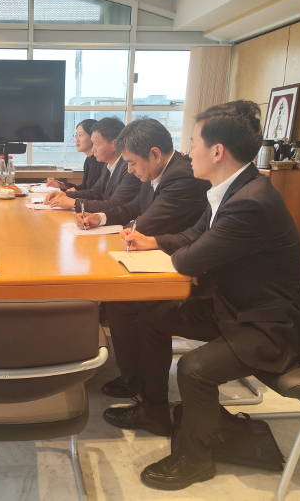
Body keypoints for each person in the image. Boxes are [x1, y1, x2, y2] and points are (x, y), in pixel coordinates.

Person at [104, 101, 300, 491]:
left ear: (217, 151)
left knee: (194, 369)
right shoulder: (227, 190)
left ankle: (195, 460)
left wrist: (175, 250)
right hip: (230, 307)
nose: (188, 153)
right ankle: (154, 411)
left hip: (267, 324)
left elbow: (190, 258)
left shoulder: (251, 202)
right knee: (153, 319)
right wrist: (153, 241)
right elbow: (192, 238)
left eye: (193, 144)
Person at [75, 118, 210, 399]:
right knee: (119, 302)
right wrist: (100, 218)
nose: (130, 170)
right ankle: (133, 374)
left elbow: (148, 222)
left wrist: (128, 230)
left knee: (126, 302)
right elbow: (134, 208)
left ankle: (137, 381)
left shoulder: (182, 176)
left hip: (187, 267)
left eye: (132, 163)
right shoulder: (155, 173)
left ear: (155, 154)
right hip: (165, 253)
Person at [45, 117, 140, 212]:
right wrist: (65, 194)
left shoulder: (129, 169)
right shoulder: (108, 165)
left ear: (114, 144)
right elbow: (94, 192)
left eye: (96, 144)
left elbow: (115, 204)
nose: (93, 149)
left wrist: (74, 203)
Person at [46, 119, 104, 192]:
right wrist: (60, 185)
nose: (77, 140)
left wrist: (66, 194)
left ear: (93, 136)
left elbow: (95, 193)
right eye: (76, 136)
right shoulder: (88, 160)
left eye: (80, 135)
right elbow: (84, 188)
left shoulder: (101, 161)